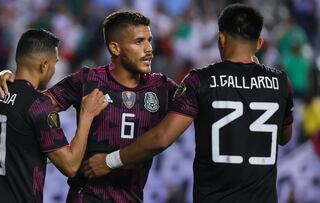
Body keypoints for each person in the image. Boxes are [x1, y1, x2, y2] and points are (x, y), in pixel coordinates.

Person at [82, 4, 294, 203]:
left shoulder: (200, 81)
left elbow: (162, 138)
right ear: (259, 44)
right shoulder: (280, 82)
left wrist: (110, 160)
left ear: (221, 39)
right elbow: (284, 136)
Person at [0, 11, 178, 202]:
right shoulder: (87, 80)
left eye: (149, 40)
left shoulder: (162, 87)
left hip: (133, 198)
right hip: (86, 197)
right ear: (115, 48)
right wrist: (13, 78)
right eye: (139, 42)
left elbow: (198, 103)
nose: (149, 49)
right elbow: (31, 105)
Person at [0, 29, 108, 203]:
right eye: (55, 63)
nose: (55, 69)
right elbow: (70, 166)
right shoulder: (37, 105)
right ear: (44, 65)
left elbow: (16, 145)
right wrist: (87, 115)